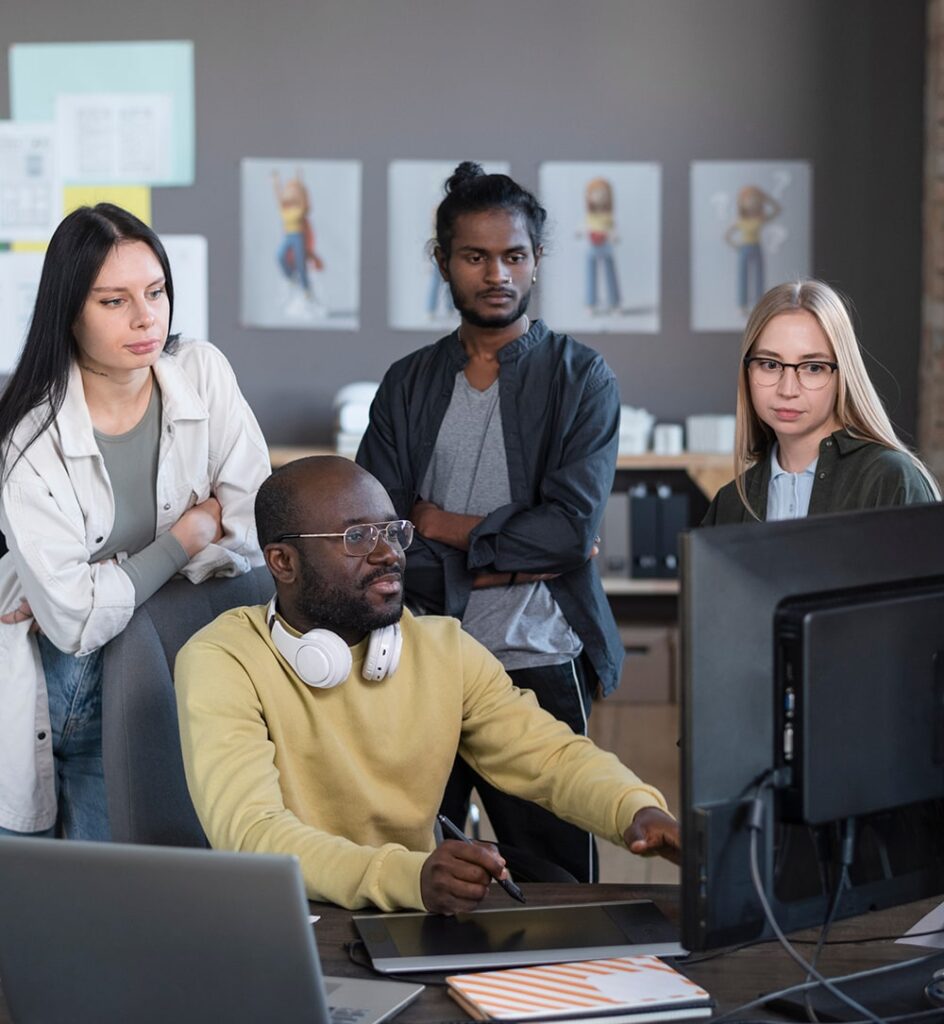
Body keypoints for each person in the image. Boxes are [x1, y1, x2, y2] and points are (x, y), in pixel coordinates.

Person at [174, 456, 679, 914]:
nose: (387, 554)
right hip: (289, 919)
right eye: (356, 537)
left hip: (412, 908)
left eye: (392, 531)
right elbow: (253, 833)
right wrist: (407, 876)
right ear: (283, 562)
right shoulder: (223, 659)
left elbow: (549, 756)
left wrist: (634, 808)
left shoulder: (443, 648)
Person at [356, 162, 624, 883]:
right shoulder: (407, 383)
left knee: (559, 885)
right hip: (421, 661)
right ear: (443, 260)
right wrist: (509, 559)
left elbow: (567, 535)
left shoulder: (581, 378)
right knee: (418, 876)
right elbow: (377, 541)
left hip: (538, 661)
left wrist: (443, 525)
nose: (497, 274)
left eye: (514, 255)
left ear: (536, 261)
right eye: (475, 256)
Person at [0, 203, 271, 839]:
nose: (146, 317)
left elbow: (255, 534)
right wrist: (187, 536)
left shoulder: (202, 371)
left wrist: (107, 579)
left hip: (166, 663)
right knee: (48, 889)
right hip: (56, 681)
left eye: (155, 291)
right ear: (70, 311)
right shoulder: (29, 436)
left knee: (147, 875)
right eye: (114, 301)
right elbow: (75, 621)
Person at [703, 279, 939, 525]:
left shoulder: (891, 479)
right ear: (747, 371)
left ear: (843, 375)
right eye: (770, 365)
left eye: (813, 367)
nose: (788, 390)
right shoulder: (730, 503)